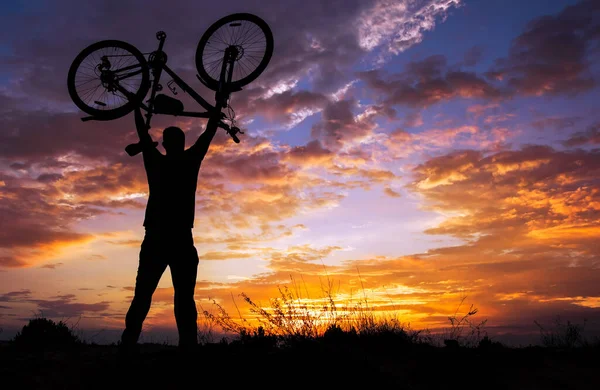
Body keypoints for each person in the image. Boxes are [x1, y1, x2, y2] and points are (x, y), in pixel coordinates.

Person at [119, 103, 220, 353]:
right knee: (183, 299)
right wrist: (216, 111)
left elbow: (143, 133)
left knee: (143, 295)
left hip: (157, 238)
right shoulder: (190, 160)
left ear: (164, 144)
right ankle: (187, 350)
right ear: (183, 143)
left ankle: (128, 346)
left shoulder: (155, 161)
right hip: (180, 239)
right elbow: (208, 134)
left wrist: (136, 107)